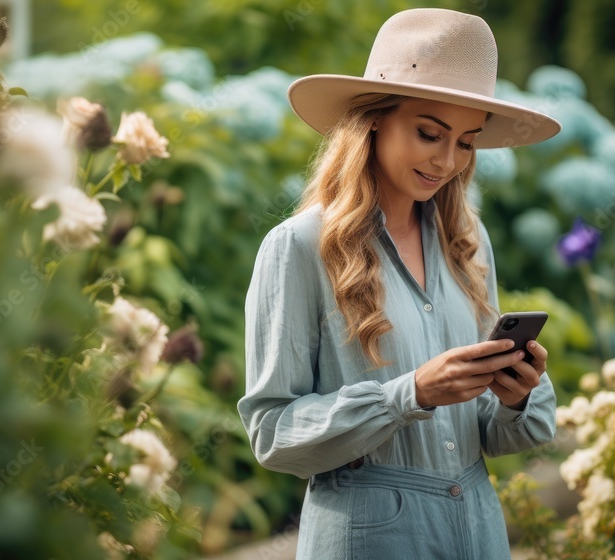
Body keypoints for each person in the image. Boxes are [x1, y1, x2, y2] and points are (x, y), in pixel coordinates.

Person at [238, 8, 560, 559]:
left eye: (466, 141)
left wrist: (516, 395)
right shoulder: (299, 247)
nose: (448, 160)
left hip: (479, 530)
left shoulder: (468, 241)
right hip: (370, 538)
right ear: (372, 120)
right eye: (429, 133)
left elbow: (498, 435)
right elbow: (272, 433)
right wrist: (407, 395)